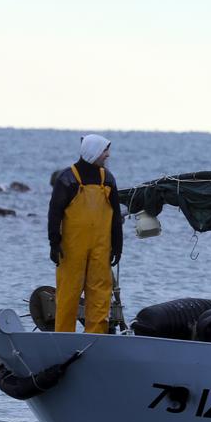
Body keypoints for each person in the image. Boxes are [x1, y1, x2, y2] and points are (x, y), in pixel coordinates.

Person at [47, 134, 122, 332]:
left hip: (101, 249)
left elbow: (116, 216)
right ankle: (63, 337)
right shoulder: (68, 178)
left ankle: (96, 337)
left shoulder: (108, 179)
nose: (107, 155)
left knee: (100, 297)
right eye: (104, 151)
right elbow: (54, 213)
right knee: (68, 295)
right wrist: (54, 244)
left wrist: (118, 246)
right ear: (93, 152)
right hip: (71, 249)